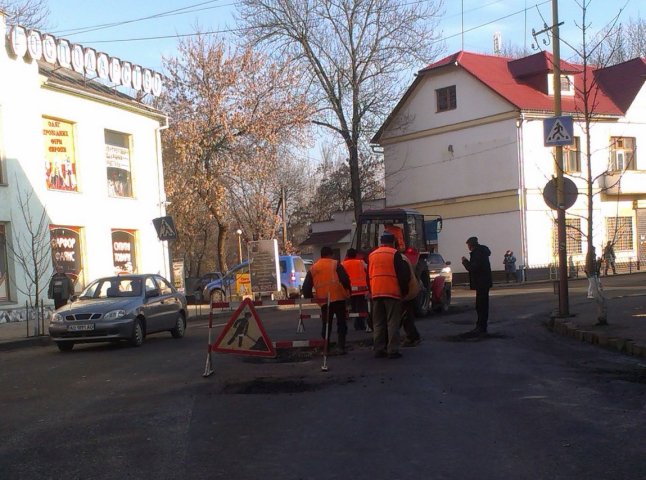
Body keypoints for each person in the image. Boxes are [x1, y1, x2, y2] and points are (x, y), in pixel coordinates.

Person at [368, 232, 410, 359]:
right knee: (393, 322)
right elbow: (403, 275)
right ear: (393, 243)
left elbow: (368, 275)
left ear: (381, 242)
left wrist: (371, 291)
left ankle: (379, 349)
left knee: (378, 323)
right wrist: (404, 291)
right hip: (392, 292)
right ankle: (393, 350)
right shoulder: (394, 254)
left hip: (376, 293)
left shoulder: (372, 255)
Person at [302, 246, 351, 354]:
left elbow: (306, 287)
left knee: (326, 323)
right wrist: (348, 291)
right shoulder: (335, 264)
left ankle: (326, 347)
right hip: (338, 297)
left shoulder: (314, 268)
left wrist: (310, 297)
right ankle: (341, 346)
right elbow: (344, 279)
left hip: (324, 300)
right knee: (341, 323)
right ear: (331, 254)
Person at [461, 236, 493, 337]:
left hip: (481, 282)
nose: (468, 247)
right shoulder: (482, 251)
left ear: (471, 245)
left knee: (481, 306)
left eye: (468, 245)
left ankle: (481, 327)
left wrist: (465, 262)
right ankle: (481, 326)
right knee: (482, 305)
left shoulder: (477, 253)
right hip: (484, 282)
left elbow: (473, 268)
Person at [341, 248, 369, 331]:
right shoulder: (361, 262)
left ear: (347, 255)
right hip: (361, 290)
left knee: (353, 308)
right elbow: (368, 269)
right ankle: (360, 325)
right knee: (361, 308)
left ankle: (356, 324)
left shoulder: (343, 264)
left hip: (349, 290)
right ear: (356, 255)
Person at [400, 253, 422, 347]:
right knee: (406, 315)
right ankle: (413, 336)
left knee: (406, 315)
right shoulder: (402, 257)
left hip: (408, 292)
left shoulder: (401, 259)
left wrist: (403, 294)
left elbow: (404, 278)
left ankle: (412, 337)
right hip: (408, 291)